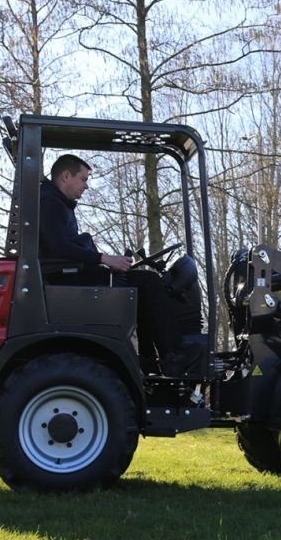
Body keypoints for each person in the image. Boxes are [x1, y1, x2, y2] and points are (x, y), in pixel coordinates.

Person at [39, 154, 203, 375]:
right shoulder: (50, 203)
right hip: (69, 281)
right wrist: (105, 259)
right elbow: (58, 247)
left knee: (142, 285)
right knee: (149, 281)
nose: (86, 186)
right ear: (66, 176)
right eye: (84, 179)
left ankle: (150, 359)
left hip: (73, 276)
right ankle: (174, 353)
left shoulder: (56, 203)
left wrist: (109, 263)